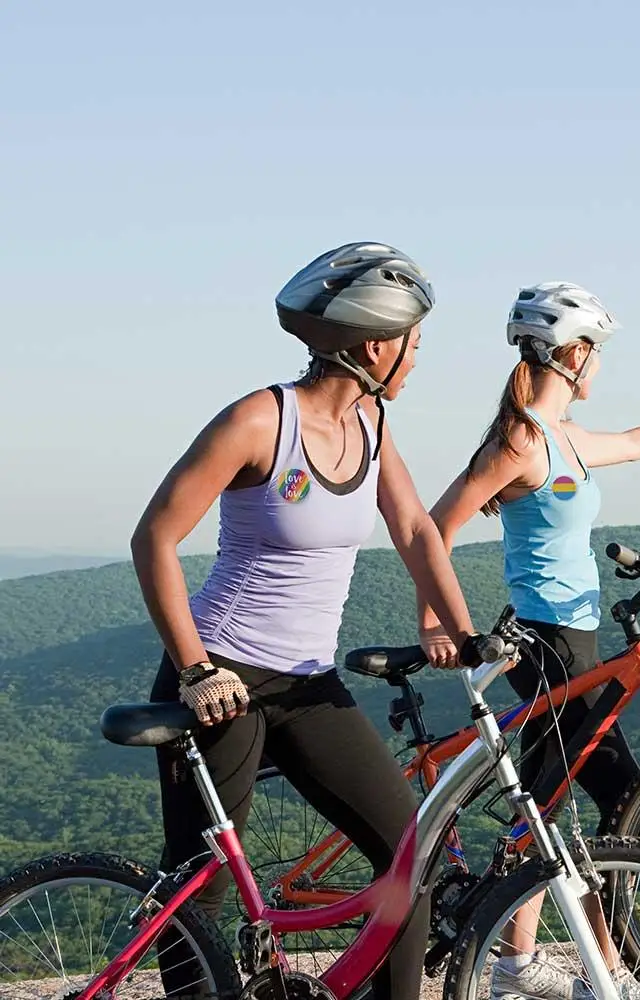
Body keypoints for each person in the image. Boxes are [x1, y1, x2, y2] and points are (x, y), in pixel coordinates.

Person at [132, 242, 479, 1000]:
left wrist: (467, 633)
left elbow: (416, 529)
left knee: (405, 854)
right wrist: (195, 669)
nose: (418, 360)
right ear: (375, 344)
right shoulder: (260, 421)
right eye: (415, 344)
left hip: (305, 682)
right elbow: (154, 536)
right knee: (204, 882)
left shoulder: (374, 426)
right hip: (220, 668)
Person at [417, 281, 640, 1000]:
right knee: (607, 800)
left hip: (578, 645)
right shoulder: (522, 441)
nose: (599, 366)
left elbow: (633, 442)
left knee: (550, 804)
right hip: (547, 646)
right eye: (595, 352)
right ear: (572, 354)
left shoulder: (562, 437)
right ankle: (593, 975)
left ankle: (517, 967)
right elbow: (432, 528)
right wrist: (438, 621)